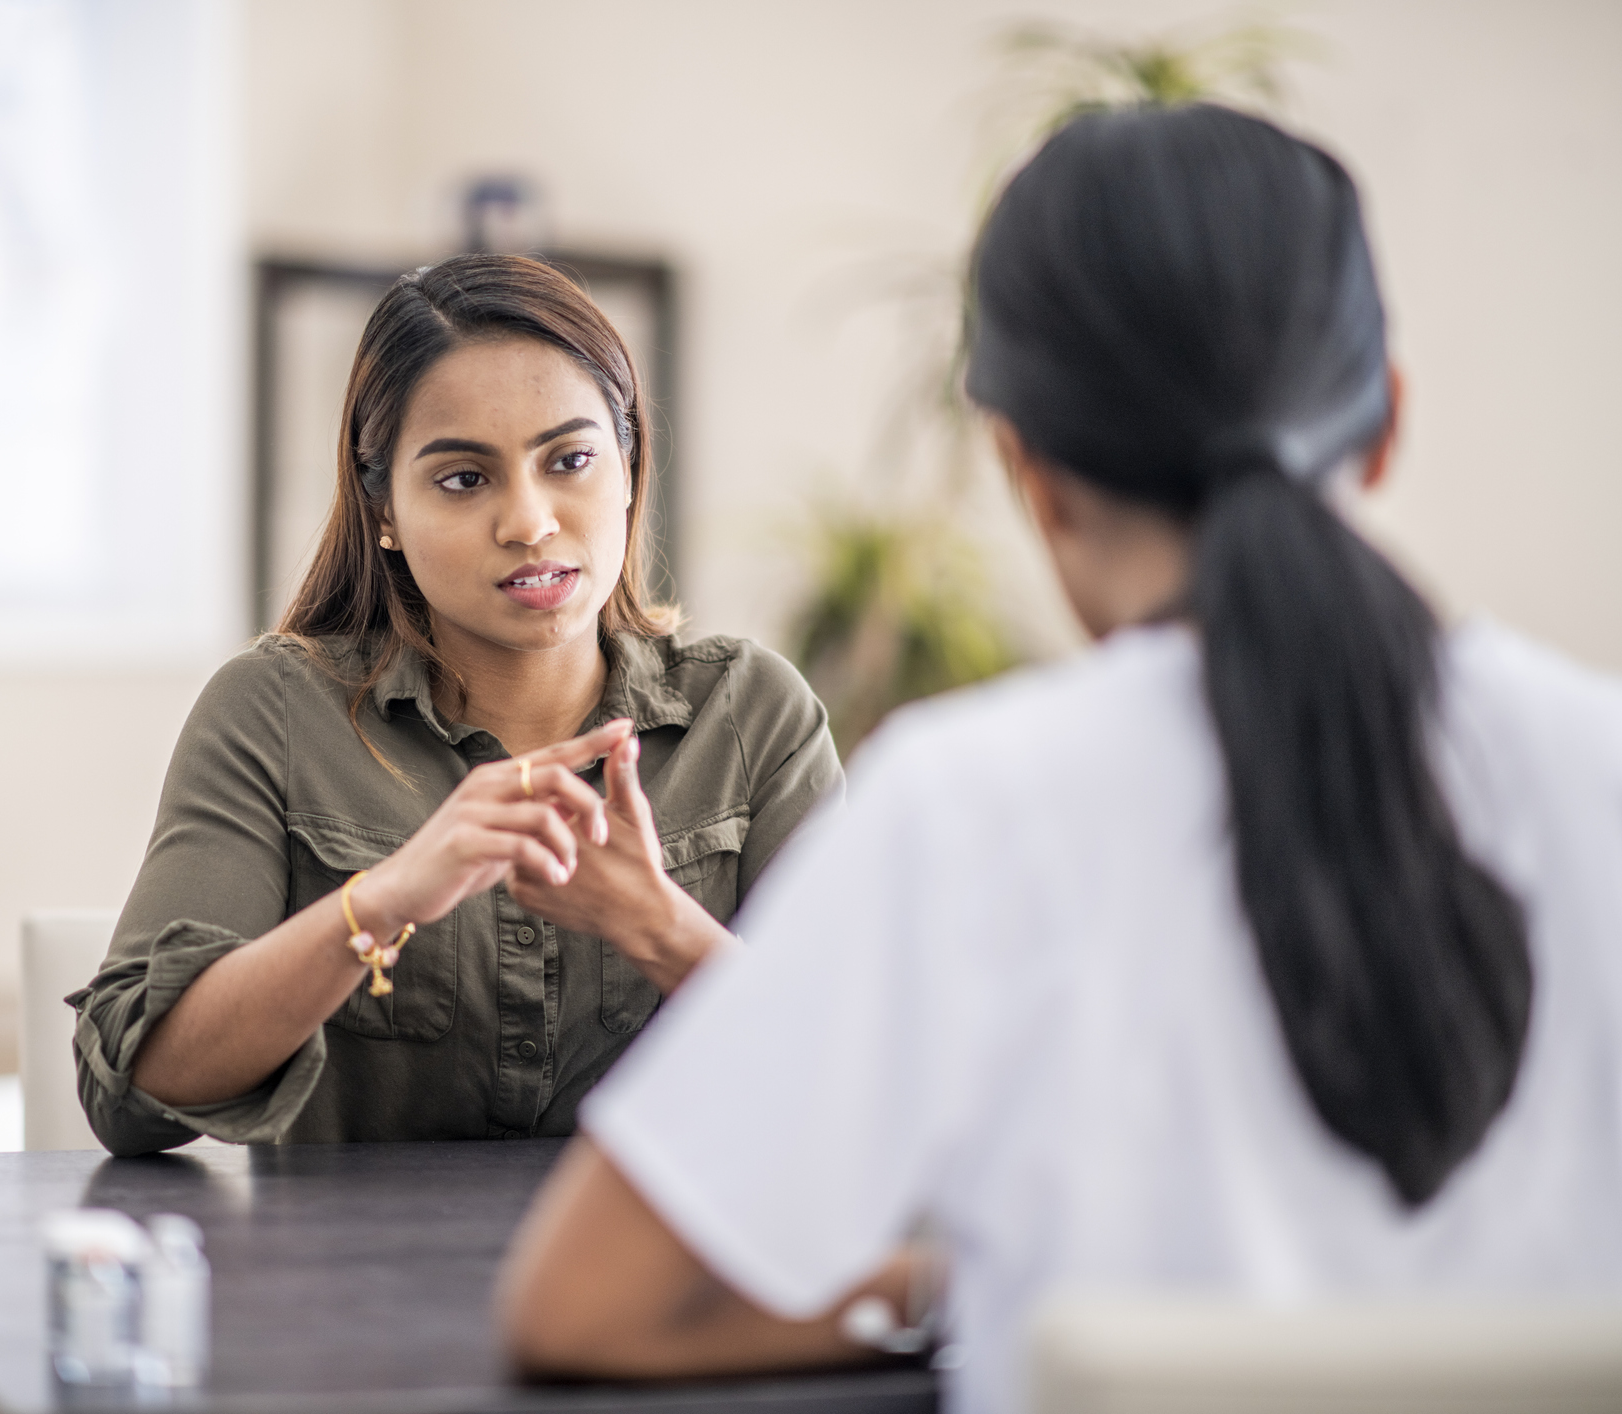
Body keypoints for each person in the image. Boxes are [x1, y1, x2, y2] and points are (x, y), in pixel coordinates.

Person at [498, 105, 1622, 1412]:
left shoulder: (967, 806)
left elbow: (582, 1307)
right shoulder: (1600, 764)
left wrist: (965, 1283)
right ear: (1384, 425)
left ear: (1025, 464)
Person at [70, 254, 840, 1153]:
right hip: (356, 1283)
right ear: (384, 507)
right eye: (464, 479)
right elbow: (129, 1091)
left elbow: (867, 1081)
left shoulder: (751, 713)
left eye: (571, 460)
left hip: (666, 1288)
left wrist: (652, 921)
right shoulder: (274, 711)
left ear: (629, 468)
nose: (528, 521)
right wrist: (383, 898)